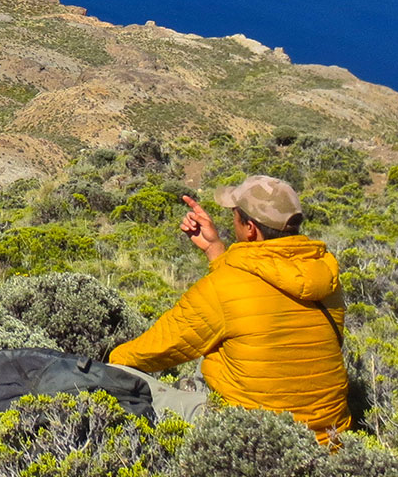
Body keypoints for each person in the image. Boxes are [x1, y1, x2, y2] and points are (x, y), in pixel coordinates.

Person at [107, 175, 350, 440]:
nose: (231, 221)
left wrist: (110, 362)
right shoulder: (324, 274)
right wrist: (214, 249)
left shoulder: (223, 289)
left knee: (117, 383)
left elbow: (152, 351)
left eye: (235, 216)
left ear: (250, 230)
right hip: (330, 438)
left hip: (257, 439)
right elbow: (259, 295)